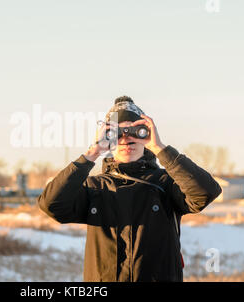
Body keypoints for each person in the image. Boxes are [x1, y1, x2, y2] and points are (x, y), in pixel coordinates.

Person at [37, 96, 222, 282]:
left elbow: (205, 192)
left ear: (146, 133)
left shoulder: (166, 183)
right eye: (116, 133)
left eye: (135, 131)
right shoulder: (94, 188)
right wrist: (92, 153)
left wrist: (160, 148)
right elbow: (51, 204)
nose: (126, 138)